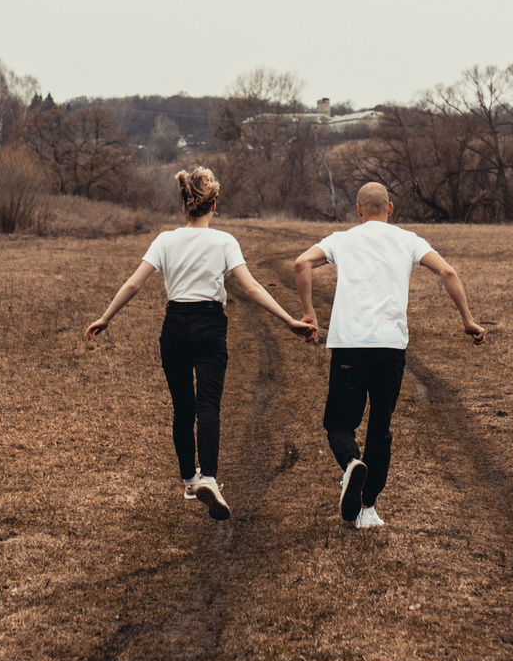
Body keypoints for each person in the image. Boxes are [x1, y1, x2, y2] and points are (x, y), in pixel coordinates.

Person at [86, 166, 315, 520]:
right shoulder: (224, 241)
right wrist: (288, 321)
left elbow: (134, 284)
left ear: (183, 204)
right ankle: (209, 477)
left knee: (183, 407)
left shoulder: (165, 240)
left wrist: (106, 316)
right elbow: (252, 288)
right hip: (209, 325)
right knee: (208, 405)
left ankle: (190, 480)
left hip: (174, 326)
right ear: (213, 205)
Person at [292, 181, 486, 530]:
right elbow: (447, 271)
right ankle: (367, 509)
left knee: (338, 423)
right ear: (391, 209)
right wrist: (468, 320)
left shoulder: (342, 238)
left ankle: (352, 464)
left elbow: (301, 263)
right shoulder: (409, 240)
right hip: (390, 348)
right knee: (380, 428)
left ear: (358, 209)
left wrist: (310, 313)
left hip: (349, 343)